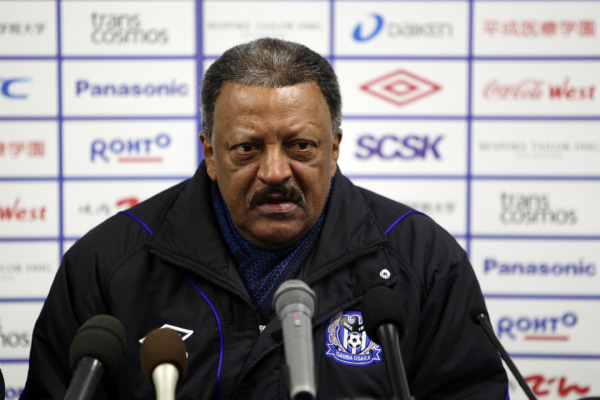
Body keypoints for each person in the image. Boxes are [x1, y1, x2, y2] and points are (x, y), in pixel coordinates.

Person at [22, 38, 508, 399]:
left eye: (301, 146)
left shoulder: (421, 260)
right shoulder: (108, 264)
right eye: (246, 148)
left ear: (334, 149)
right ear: (210, 154)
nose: (275, 172)